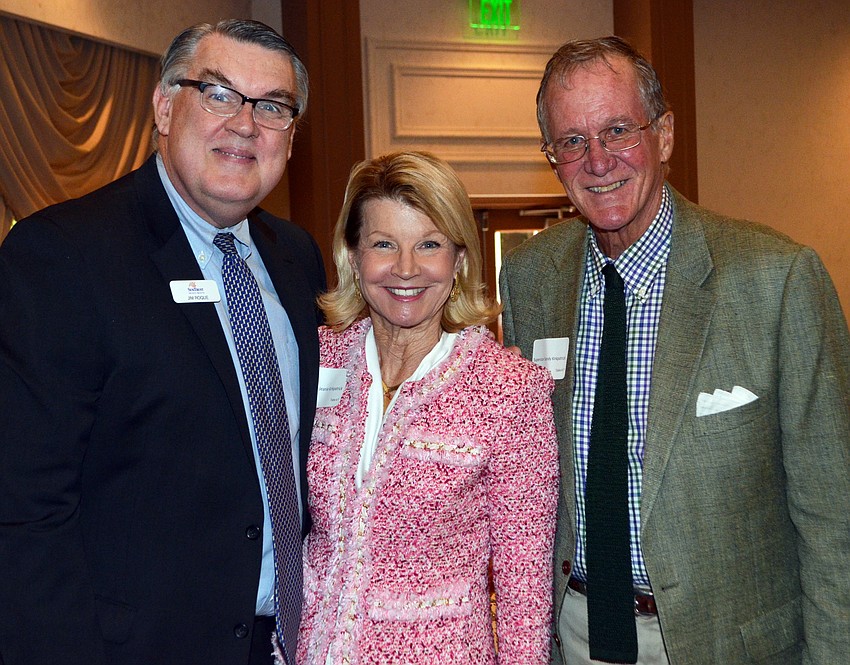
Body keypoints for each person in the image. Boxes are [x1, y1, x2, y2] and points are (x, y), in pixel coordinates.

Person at [499, 36, 850, 665]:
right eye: (572, 142)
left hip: (727, 641)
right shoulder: (530, 279)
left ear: (663, 136)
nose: (598, 160)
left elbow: (835, 518)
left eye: (617, 131)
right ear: (552, 158)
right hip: (575, 633)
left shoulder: (777, 279)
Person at [0, 20, 326, 665]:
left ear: (290, 135)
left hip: (287, 642)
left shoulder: (298, 258)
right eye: (219, 93)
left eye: (273, 107)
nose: (245, 124)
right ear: (164, 107)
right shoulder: (62, 255)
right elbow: (25, 514)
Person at [296, 150, 559, 664]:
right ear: (353, 255)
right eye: (384, 244)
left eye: (429, 244)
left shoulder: (509, 391)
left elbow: (523, 593)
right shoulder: (313, 359)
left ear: (458, 261)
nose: (407, 269)